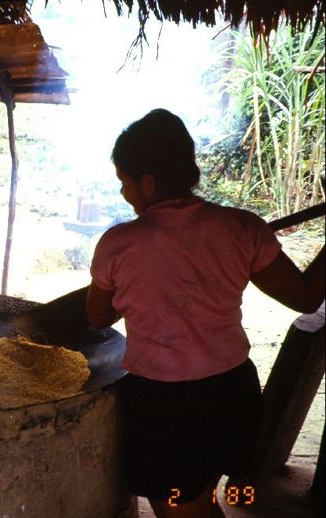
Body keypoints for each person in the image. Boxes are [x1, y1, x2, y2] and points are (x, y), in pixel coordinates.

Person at [85, 108, 325, 517]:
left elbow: (97, 317)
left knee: (179, 508)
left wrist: (115, 283)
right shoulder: (243, 227)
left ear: (148, 181)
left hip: (167, 407)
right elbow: (305, 296)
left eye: (125, 183)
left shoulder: (119, 243)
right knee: (198, 500)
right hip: (231, 395)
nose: (124, 193)